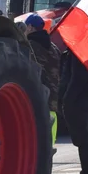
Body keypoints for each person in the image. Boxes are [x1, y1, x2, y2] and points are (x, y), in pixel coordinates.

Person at [19, 14, 61, 147]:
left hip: (37, 96)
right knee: (51, 128)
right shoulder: (53, 47)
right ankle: (49, 154)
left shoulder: (29, 46)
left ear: (30, 27)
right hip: (53, 95)